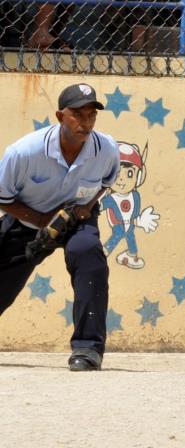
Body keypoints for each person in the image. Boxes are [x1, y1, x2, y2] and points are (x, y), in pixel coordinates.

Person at [0, 83, 120, 371]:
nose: (85, 122)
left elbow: (105, 184)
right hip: (27, 219)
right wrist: (44, 222)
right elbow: (2, 197)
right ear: (59, 116)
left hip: (77, 218)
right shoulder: (24, 152)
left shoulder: (106, 149)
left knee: (88, 253)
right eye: (77, 114)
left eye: (91, 115)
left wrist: (84, 209)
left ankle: (88, 349)